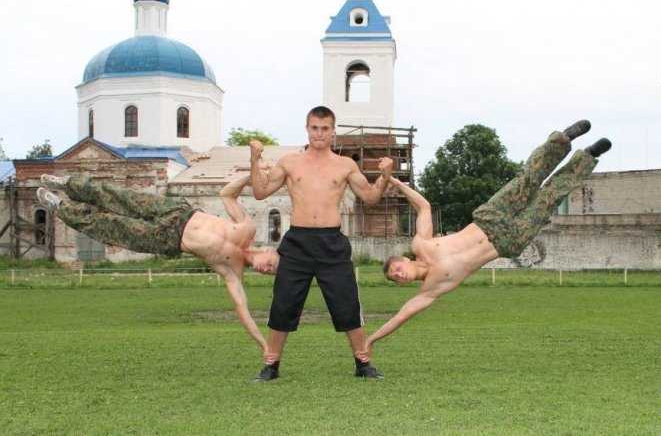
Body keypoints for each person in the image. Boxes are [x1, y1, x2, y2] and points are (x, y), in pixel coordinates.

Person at [365, 121, 612, 354]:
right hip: (508, 240)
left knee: (527, 179)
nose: (398, 275)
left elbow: (423, 206)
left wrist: (392, 179)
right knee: (549, 198)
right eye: (395, 278)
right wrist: (371, 339)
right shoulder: (430, 289)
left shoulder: (422, 244)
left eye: (396, 269)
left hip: (490, 218)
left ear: (404, 260)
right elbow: (401, 316)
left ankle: (562, 139)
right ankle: (587, 157)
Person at [36, 173, 279, 354]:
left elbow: (243, 311)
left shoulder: (233, 271)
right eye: (271, 265)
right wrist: (250, 176)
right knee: (120, 197)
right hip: (177, 212)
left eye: (269, 273)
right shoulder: (247, 227)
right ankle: (68, 184)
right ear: (269, 252)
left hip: (166, 239)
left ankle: (61, 206)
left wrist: (264, 345)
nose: (265, 269)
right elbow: (227, 194)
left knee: (110, 228)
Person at [249, 105, 393, 381]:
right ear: (307, 129)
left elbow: (370, 198)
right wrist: (254, 160)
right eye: (314, 128)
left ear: (333, 132)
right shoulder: (290, 162)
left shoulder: (345, 165)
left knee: (347, 303)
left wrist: (385, 176)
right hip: (298, 242)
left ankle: (363, 364)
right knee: (283, 304)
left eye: (325, 129)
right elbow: (260, 191)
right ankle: (271, 365)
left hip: (332, 242)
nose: (319, 133)